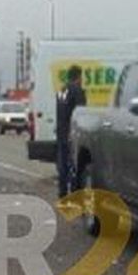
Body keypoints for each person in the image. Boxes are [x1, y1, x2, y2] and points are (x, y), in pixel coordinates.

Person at [54, 64, 87, 197]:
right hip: (72, 132)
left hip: (61, 131)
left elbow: (60, 111)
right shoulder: (77, 90)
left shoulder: (62, 90)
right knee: (74, 164)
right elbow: (81, 112)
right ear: (78, 76)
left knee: (63, 164)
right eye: (81, 77)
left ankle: (62, 191)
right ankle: (75, 192)